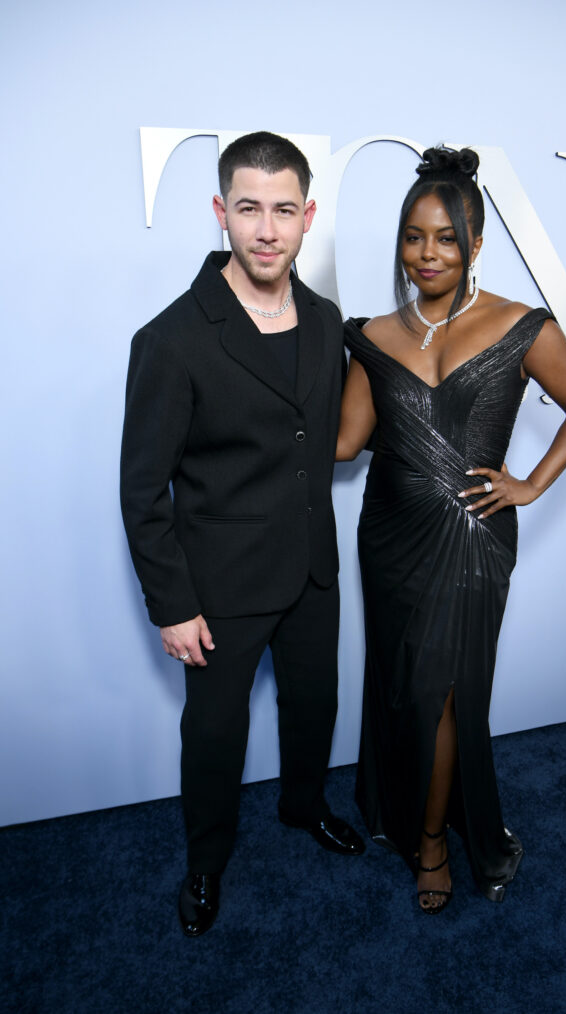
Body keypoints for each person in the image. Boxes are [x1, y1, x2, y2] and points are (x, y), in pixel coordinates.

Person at [336, 146, 566, 914]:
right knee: (402, 688)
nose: (427, 253)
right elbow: (347, 443)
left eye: (446, 237)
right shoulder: (374, 334)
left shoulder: (522, 326)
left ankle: (430, 842)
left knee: (448, 695)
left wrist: (530, 485)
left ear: (475, 244)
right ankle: (410, 808)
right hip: (389, 535)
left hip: (474, 539)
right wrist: (254, 411)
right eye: (414, 237)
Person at [121, 131, 364, 938]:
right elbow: (140, 488)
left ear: (308, 217)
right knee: (216, 734)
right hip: (219, 588)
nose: (267, 229)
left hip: (311, 570)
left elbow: (324, 431)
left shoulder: (326, 320)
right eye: (250, 209)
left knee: (314, 706)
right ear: (222, 212)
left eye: (284, 210)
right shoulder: (171, 338)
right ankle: (206, 861)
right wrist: (172, 604)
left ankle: (303, 806)